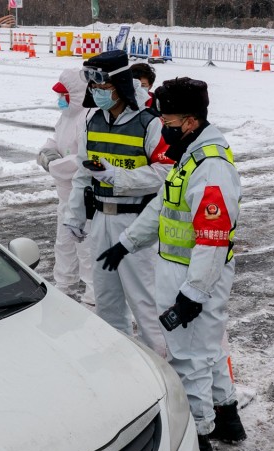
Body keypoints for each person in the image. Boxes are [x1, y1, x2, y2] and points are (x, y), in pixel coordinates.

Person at [97, 77, 245, 451]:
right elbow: (163, 206)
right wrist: (127, 242)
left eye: (169, 121)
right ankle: (226, 416)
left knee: (188, 358)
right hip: (188, 273)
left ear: (191, 121)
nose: (163, 128)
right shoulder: (191, 156)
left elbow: (213, 239)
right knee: (208, 352)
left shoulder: (210, 167)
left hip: (193, 278)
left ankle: (198, 438)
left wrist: (193, 293)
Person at [64, 50, 173, 357]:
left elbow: (164, 173)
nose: (98, 93)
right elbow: (83, 173)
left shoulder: (149, 123)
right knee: (107, 301)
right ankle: (120, 362)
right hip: (101, 220)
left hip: (136, 222)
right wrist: (75, 215)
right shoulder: (93, 121)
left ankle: (168, 369)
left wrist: (117, 176)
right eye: (94, 88)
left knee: (145, 301)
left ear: (120, 85)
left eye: (104, 87)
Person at [37, 69, 95, 305]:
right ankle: (64, 284)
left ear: (77, 94)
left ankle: (93, 293)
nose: (60, 99)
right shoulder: (67, 116)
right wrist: (46, 152)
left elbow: (84, 159)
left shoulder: (89, 117)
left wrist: (54, 164)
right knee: (64, 242)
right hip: (65, 193)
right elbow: (55, 140)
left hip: (82, 195)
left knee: (86, 247)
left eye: (64, 94)